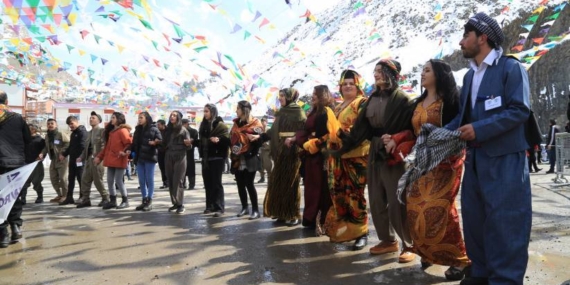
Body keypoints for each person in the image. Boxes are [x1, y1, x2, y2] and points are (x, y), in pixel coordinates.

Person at [445, 13, 532, 285]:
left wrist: (479, 129)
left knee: (505, 222)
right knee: (475, 219)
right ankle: (481, 273)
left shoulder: (510, 69)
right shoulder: (470, 76)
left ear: (482, 38)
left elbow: (519, 110)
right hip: (476, 159)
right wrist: (434, 134)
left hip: (505, 159)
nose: (461, 42)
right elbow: (464, 118)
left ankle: (505, 279)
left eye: (466, 36)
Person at [383, 60, 470, 280]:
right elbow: (412, 132)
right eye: (421, 70)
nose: (422, 74)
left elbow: (458, 130)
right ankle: (427, 252)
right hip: (422, 163)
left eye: (427, 70)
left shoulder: (451, 100)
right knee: (414, 206)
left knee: (440, 207)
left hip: (446, 162)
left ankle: (459, 260)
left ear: (440, 74)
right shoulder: (418, 103)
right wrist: (395, 138)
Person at [337, 59, 415, 263]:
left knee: (397, 199)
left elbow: (411, 129)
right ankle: (387, 240)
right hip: (375, 151)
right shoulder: (373, 98)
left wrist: (396, 139)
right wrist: (344, 140)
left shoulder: (403, 99)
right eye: (375, 71)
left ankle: (409, 244)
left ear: (390, 73)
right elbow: (362, 128)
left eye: (380, 71)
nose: (376, 74)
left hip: (394, 152)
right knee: (377, 198)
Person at [323, 70, 370, 250]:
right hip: (338, 156)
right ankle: (348, 229)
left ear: (358, 86)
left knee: (355, 194)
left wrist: (341, 134)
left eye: (351, 83)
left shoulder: (362, 103)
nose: (348, 86)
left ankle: (362, 232)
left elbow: (361, 129)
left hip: (356, 154)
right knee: (340, 193)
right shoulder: (338, 106)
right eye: (345, 83)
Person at [252, 88, 306, 226]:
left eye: (283, 96)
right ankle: (280, 212)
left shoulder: (298, 111)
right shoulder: (281, 112)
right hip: (281, 151)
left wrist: (294, 140)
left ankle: (293, 214)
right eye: (280, 95)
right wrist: (260, 136)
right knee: (278, 182)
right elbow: (273, 131)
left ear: (290, 97)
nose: (280, 98)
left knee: (291, 183)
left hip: (292, 151)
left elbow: (304, 131)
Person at [292, 85, 334, 229]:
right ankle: (311, 218)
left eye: (315, 94)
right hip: (310, 155)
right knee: (311, 188)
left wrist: (313, 142)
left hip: (320, 156)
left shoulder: (326, 112)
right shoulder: (314, 111)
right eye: (312, 93)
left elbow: (328, 134)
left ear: (322, 95)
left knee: (320, 189)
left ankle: (320, 220)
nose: (312, 96)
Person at [0, 90, 32, 248]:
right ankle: (15, 227)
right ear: (6, 101)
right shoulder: (18, 118)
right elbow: (28, 140)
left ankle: (2, 234)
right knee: (13, 196)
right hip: (15, 163)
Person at [231, 101, 263, 220]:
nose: (236, 111)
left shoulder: (256, 123)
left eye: (238, 109)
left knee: (249, 184)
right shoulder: (236, 123)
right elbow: (232, 138)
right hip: (237, 157)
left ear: (245, 110)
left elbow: (261, 141)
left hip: (250, 156)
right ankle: (244, 208)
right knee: (240, 184)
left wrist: (256, 138)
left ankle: (255, 210)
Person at [94, 112, 132, 209]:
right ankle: (113, 200)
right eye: (112, 118)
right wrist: (99, 157)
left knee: (119, 180)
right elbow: (107, 148)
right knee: (110, 181)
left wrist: (123, 152)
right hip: (111, 160)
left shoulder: (123, 130)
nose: (112, 119)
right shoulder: (112, 132)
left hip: (120, 159)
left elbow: (129, 144)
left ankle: (125, 200)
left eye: (114, 118)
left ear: (119, 119)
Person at [198, 104, 230, 217]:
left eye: (207, 111)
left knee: (216, 183)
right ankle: (209, 206)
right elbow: (201, 141)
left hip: (217, 157)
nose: (205, 113)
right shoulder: (203, 125)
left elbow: (227, 141)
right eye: (204, 111)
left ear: (212, 112)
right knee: (207, 183)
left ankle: (219, 207)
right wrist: (192, 142)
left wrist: (218, 139)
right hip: (206, 158)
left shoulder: (220, 125)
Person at [77, 111, 109, 208]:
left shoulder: (102, 131)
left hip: (98, 160)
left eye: (93, 118)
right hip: (88, 160)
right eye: (90, 118)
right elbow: (86, 148)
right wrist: (81, 157)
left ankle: (105, 198)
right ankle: (86, 199)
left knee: (98, 180)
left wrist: (99, 157)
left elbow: (104, 146)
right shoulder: (89, 133)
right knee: (85, 180)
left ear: (99, 120)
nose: (91, 119)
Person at [131, 112, 162, 212]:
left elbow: (160, 140)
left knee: (149, 179)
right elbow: (134, 143)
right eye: (138, 118)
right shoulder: (137, 129)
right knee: (141, 180)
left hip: (149, 157)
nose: (139, 119)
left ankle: (149, 200)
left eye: (141, 118)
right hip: (139, 158)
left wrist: (155, 142)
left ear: (147, 118)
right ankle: (144, 199)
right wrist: (129, 150)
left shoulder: (154, 129)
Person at [164, 111, 192, 214]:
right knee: (170, 180)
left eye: (174, 115)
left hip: (180, 156)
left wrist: (188, 144)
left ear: (179, 118)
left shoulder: (183, 130)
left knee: (178, 180)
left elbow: (189, 146)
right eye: (171, 115)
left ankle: (181, 204)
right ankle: (175, 202)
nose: (172, 117)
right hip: (169, 156)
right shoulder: (168, 130)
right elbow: (163, 144)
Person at [58, 116, 87, 205]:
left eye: (72, 124)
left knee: (80, 178)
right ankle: (69, 197)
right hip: (72, 160)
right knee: (71, 178)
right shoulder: (73, 134)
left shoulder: (82, 132)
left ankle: (83, 196)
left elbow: (83, 147)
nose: (71, 126)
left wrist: (81, 157)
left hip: (80, 160)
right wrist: (64, 154)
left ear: (76, 121)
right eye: (69, 125)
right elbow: (70, 147)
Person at [39, 118, 70, 203]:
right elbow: (46, 147)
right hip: (53, 159)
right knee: (53, 178)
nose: (50, 125)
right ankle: (59, 195)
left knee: (63, 178)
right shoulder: (47, 136)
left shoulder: (60, 133)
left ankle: (65, 195)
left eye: (52, 123)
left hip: (62, 159)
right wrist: (42, 153)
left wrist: (63, 153)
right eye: (48, 124)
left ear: (56, 125)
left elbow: (68, 143)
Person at [21, 124, 46, 204]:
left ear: (34, 130)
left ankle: (40, 197)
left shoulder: (40, 140)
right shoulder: (24, 139)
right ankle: (23, 199)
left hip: (36, 164)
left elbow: (44, 151)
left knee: (37, 182)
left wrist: (41, 157)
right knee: (24, 183)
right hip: (25, 164)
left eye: (29, 129)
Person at [182, 118, 199, 190]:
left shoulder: (194, 131)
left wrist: (191, 141)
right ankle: (183, 184)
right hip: (182, 152)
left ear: (186, 124)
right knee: (182, 169)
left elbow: (195, 141)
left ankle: (191, 184)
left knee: (191, 169)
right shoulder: (180, 132)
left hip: (190, 152)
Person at [257, 117, 273, 183]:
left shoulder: (269, 130)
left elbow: (271, 139)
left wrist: (266, 143)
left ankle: (269, 177)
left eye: (264, 121)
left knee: (268, 164)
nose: (263, 123)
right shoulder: (259, 130)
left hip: (267, 149)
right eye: (262, 121)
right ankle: (262, 177)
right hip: (260, 149)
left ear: (266, 122)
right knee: (260, 164)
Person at [156, 119, 168, 189]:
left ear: (163, 125)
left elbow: (167, 141)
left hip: (167, 152)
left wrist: (159, 141)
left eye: (159, 125)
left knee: (168, 168)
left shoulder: (168, 131)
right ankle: (165, 182)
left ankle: (169, 182)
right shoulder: (157, 131)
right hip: (160, 152)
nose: (158, 126)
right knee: (162, 168)